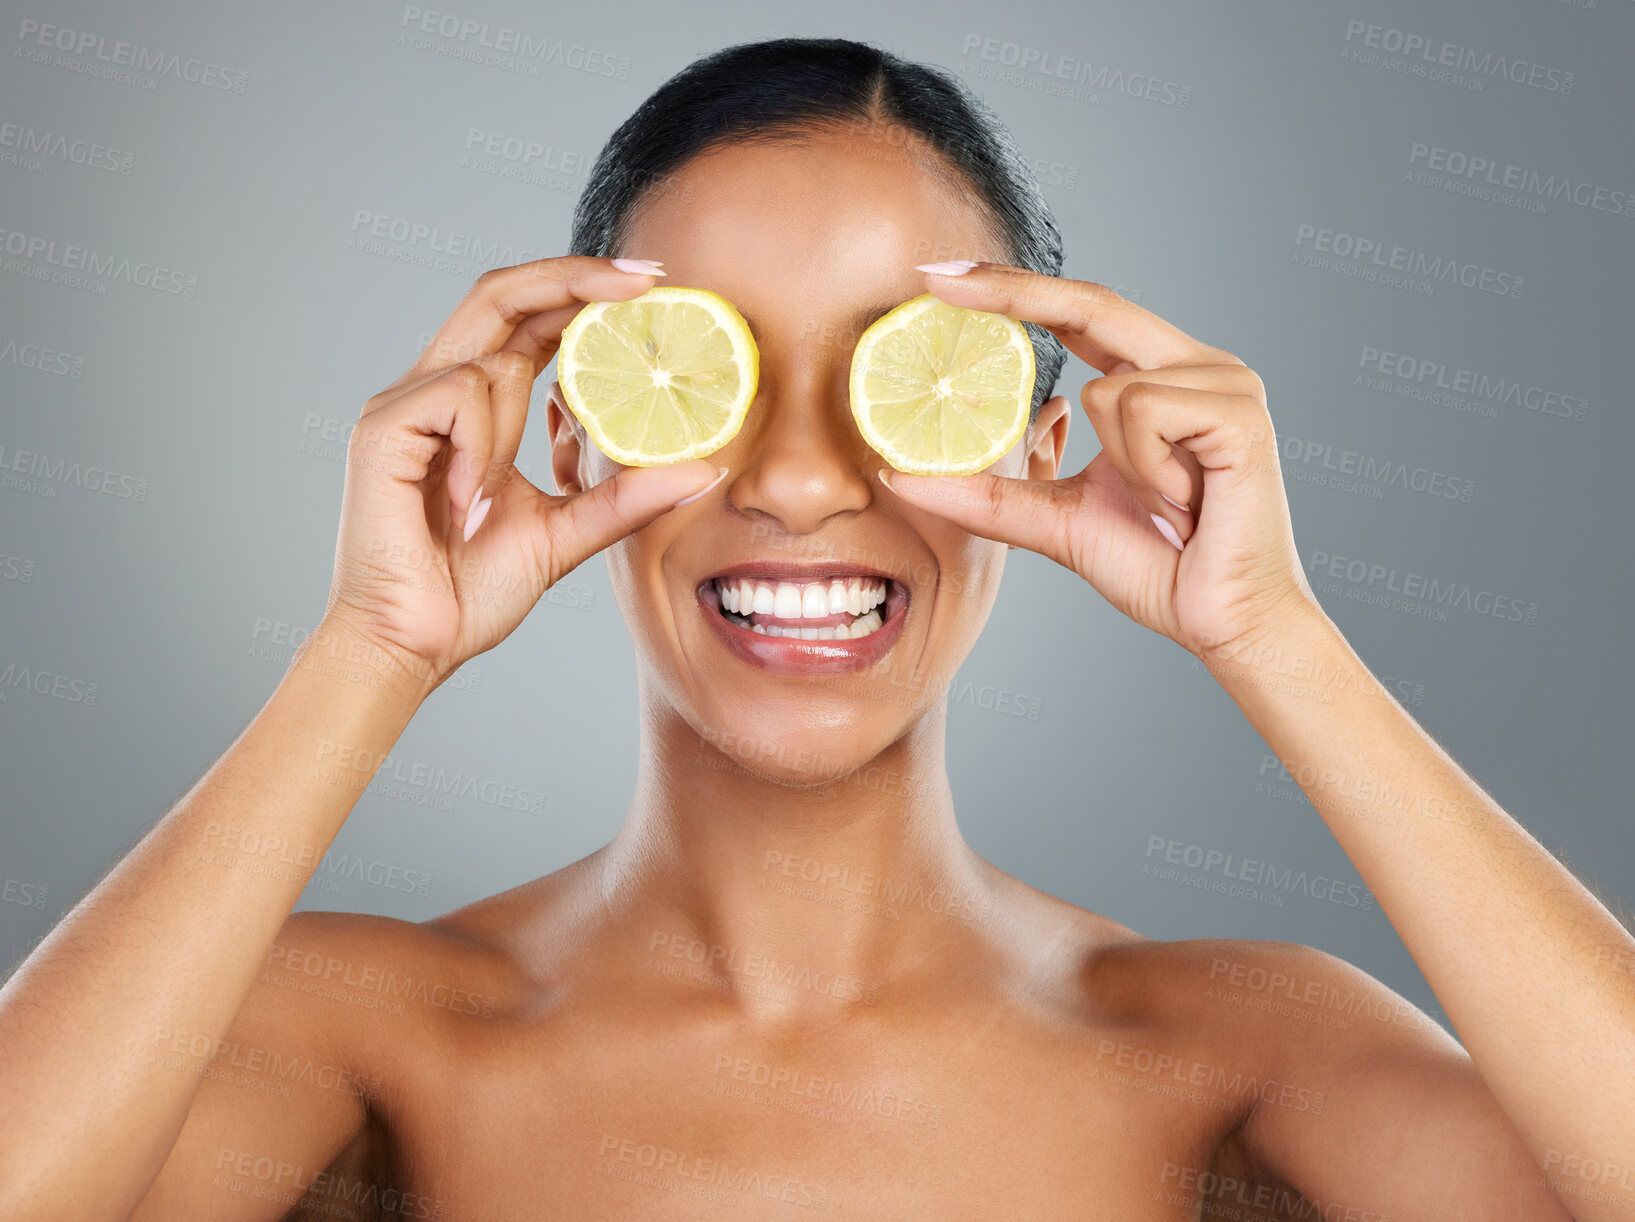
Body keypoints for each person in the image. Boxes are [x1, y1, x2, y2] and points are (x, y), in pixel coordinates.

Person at [2, 36, 1629, 1222]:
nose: (794, 479)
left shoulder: (1236, 1050)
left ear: (1035, 438)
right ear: (574, 436)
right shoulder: (362, 1031)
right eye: (714, 375)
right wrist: (369, 648)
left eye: (901, 374)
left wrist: (1278, 635)